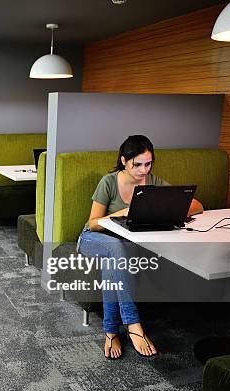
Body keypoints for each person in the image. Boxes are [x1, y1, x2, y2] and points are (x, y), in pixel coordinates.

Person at [78, 135, 203, 360]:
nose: (144, 170)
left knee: (113, 259)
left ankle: (110, 332)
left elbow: (197, 205)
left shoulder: (153, 182)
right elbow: (93, 223)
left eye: (148, 163)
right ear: (124, 161)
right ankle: (134, 324)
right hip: (92, 239)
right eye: (138, 164)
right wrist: (120, 213)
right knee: (115, 250)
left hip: (121, 247)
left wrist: (170, 208)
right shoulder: (109, 182)